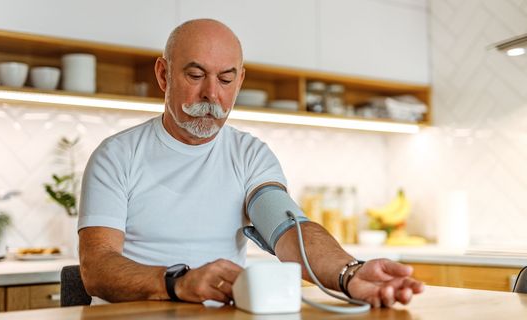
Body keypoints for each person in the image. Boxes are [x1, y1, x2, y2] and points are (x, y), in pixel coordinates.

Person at [78, 18, 424, 308]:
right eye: (196, 76)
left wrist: (349, 274)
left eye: (226, 79)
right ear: (164, 75)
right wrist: (177, 283)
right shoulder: (116, 156)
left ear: (240, 80)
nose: (212, 95)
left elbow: (290, 230)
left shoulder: (249, 155)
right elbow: (97, 267)